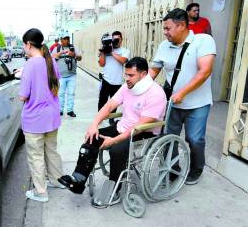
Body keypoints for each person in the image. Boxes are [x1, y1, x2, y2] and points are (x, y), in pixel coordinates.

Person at [58, 57, 166, 206]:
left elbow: (140, 125)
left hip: (143, 132)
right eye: (125, 74)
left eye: (130, 75)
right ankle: (78, 181)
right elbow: (109, 107)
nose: (126, 78)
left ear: (143, 74)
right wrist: (94, 125)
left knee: (117, 149)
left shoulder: (156, 94)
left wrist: (114, 140)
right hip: (122, 126)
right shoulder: (126, 87)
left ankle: (114, 190)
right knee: (91, 139)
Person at [150, 8, 216, 185]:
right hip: (172, 104)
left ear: (181, 26)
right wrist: (137, 88)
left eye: (167, 28)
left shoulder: (203, 41)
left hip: (198, 104)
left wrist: (183, 92)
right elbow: (153, 71)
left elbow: (205, 71)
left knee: (195, 139)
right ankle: (172, 169)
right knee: (167, 138)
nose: (165, 32)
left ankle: (196, 168)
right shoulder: (164, 46)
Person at [19, 28, 65, 203]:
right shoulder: (50, 61)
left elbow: (23, 95)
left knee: (36, 156)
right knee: (51, 150)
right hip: (52, 116)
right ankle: (57, 180)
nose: (24, 48)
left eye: (24, 44)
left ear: (29, 44)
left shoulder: (30, 65)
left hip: (35, 119)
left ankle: (41, 192)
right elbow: (54, 84)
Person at [98, 31, 130, 115]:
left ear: (121, 39)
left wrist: (112, 52)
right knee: (102, 101)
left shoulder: (125, 51)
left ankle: (111, 119)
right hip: (106, 80)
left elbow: (123, 61)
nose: (115, 41)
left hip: (117, 81)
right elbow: (101, 64)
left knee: (114, 102)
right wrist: (103, 52)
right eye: (113, 39)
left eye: (117, 39)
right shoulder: (105, 50)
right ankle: (100, 117)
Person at [51, 33, 82, 117]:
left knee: (71, 93)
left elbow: (80, 57)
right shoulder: (57, 49)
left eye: (68, 38)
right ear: (61, 40)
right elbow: (51, 58)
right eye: (65, 39)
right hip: (60, 76)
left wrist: (74, 55)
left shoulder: (73, 48)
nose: (67, 40)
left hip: (72, 75)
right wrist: (60, 53)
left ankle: (70, 110)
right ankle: (60, 110)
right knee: (61, 94)